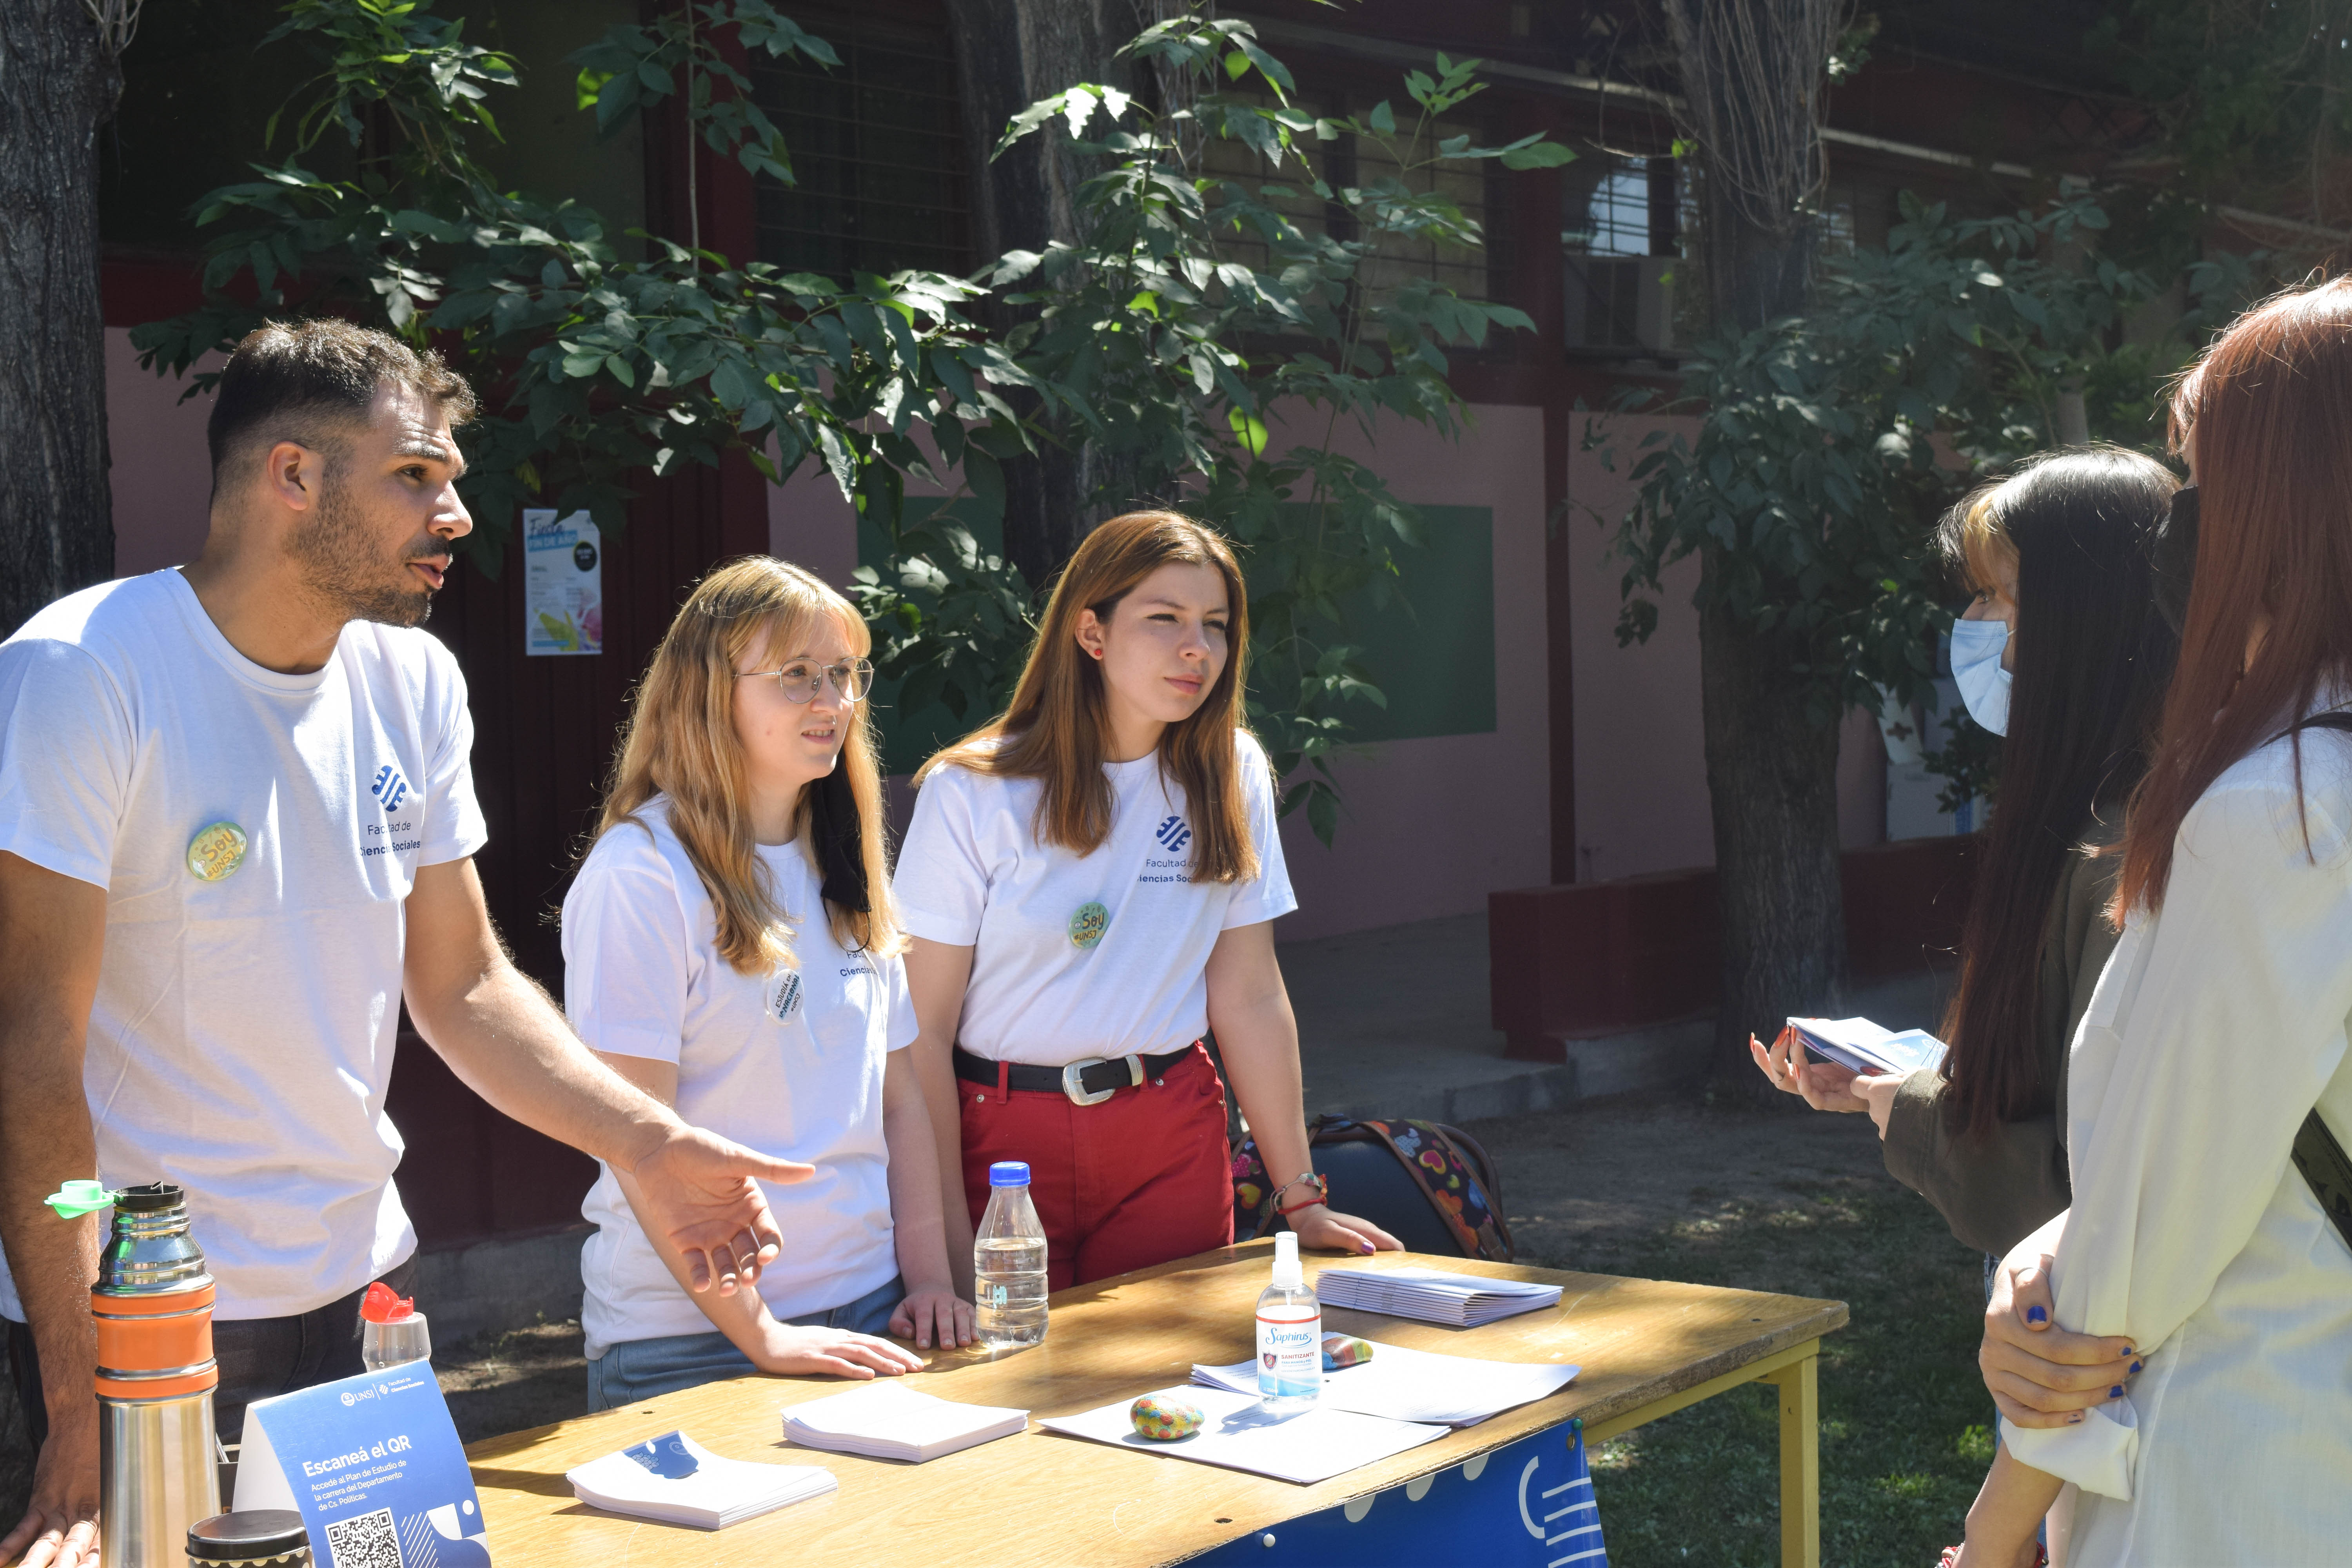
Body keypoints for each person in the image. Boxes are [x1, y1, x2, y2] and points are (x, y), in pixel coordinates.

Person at [0, 321, 809, 1568]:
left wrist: (645, 1142)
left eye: (454, 481)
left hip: (366, 1293)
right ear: (292, 477)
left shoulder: (415, 681)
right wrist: (74, 1406)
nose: (457, 514)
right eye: (417, 477)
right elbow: (32, 1049)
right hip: (150, 1323)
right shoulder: (82, 671)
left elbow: (467, 983)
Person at [1954, 280, 2352, 1566]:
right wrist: (2056, 1240)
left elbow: (2144, 1260)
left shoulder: (2282, 811)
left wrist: (1993, 1531)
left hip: (2250, 1465)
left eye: (2202, 483)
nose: (2179, 533)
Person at [893, 510, 1401, 1294]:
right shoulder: (972, 789)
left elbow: (1251, 993)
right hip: (1001, 1142)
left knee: (1172, 1385)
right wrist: (947, 1248)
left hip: (1169, 1129)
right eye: (1163, 619)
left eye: (1215, 624)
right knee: (1014, 1385)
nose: (1196, 646)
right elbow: (920, 1033)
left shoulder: (1231, 770)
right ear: (1091, 634)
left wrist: (1302, 1196)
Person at [1750, 448, 2179, 1265]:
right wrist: (1905, 1084)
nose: (1976, 625)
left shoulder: (2135, 852)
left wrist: (1899, 1103)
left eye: (1996, 594)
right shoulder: (2092, 815)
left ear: (2082, 617)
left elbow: (2084, 1177)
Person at [564, 557, 974, 1409]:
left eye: (843, 675)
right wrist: (765, 1333)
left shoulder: (847, 855)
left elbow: (898, 1097)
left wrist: (931, 1279)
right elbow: (636, 1137)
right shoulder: (641, 875)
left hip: (871, 1308)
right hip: (687, 1340)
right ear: (710, 691)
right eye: (796, 676)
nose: (833, 701)